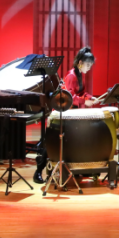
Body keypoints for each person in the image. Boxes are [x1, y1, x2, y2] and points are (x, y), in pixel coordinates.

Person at [35, 48, 99, 184]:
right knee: (53, 141)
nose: (89, 68)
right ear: (80, 63)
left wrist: (89, 97)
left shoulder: (80, 74)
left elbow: (81, 92)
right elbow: (70, 97)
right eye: (88, 65)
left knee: (74, 140)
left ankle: (77, 168)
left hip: (71, 111)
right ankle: (38, 170)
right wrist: (84, 101)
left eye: (90, 65)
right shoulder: (71, 75)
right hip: (62, 111)